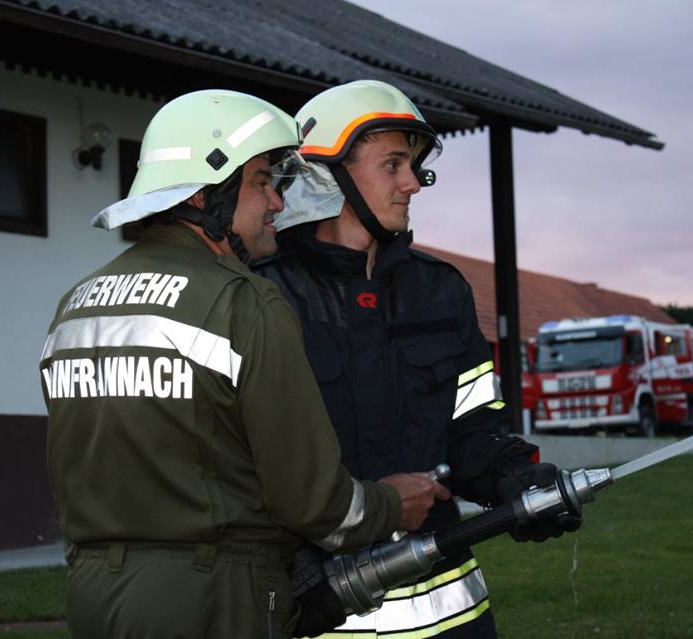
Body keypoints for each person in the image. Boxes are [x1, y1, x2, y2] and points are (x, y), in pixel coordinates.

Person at [39, 89, 449, 639]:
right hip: (213, 601)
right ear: (209, 194)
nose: (277, 203)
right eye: (261, 183)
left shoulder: (78, 303)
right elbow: (316, 504)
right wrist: (392, 504)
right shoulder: (244, 301)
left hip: (95, 598)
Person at [257, 80, 581, 639]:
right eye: (393, 165)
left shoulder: (440, 291)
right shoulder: (263, 299)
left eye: (413, 166)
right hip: (319, 614)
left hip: (452, 619)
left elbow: (471, 431)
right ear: (326, 175)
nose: (412, 183)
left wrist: (515, 478)